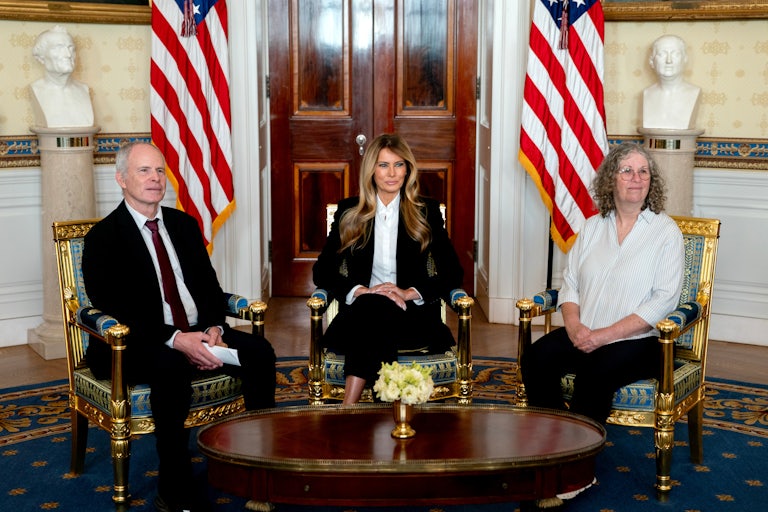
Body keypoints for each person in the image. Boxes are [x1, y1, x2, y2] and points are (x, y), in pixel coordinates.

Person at [82, 142, 276, 512]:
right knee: (170, 367)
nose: (155, 179)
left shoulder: (184, 225)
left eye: (159, 171)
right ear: (121, 179)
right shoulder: (103, 238)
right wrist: (176, 339)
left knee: (260, 353)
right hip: (135, 343)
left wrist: (216, 328)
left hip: (200, 330)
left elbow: (210, 289)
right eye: (144, 171)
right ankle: (175, 486)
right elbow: (117, 310)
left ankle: (258, 468)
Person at [520, 142, 684, 501]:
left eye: (643, 171)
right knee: (536, 357)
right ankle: (553, 447)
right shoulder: (593, 226)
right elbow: (571, 284)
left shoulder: (665, 232)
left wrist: (604, 336)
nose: (636, 178)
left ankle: (578, 471)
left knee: (595, 372)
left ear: (651, 182)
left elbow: (664, 300)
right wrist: (576, 327)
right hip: (585, 330)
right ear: (611, 179)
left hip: (637, 342)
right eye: (626, 170)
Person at [313, 133, 463, 405]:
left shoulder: (425, 212)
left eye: (399, 164)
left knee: (375, 311)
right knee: (373, 307)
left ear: (408, 169)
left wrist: (407, 293)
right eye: (383, 165)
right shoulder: (350, 212)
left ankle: (349, 408)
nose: (392, 173)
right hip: (360, 313)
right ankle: (387, 412)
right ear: (371, 170)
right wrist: (361, 291)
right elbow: (322, 271)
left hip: (412, 317)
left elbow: (453, 272)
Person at [30, 25, 94, 128]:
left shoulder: (83, 89)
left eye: (71, 48)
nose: (68, 54)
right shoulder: (37, 89)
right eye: (58, 48)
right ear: (41, 57)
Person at [642, 34, 701, 130]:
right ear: (651, 61)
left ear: (685, 59)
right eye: (662, 54)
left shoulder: (694, 92)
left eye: (675, 54)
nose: (669, 61)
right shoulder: (647, 93)